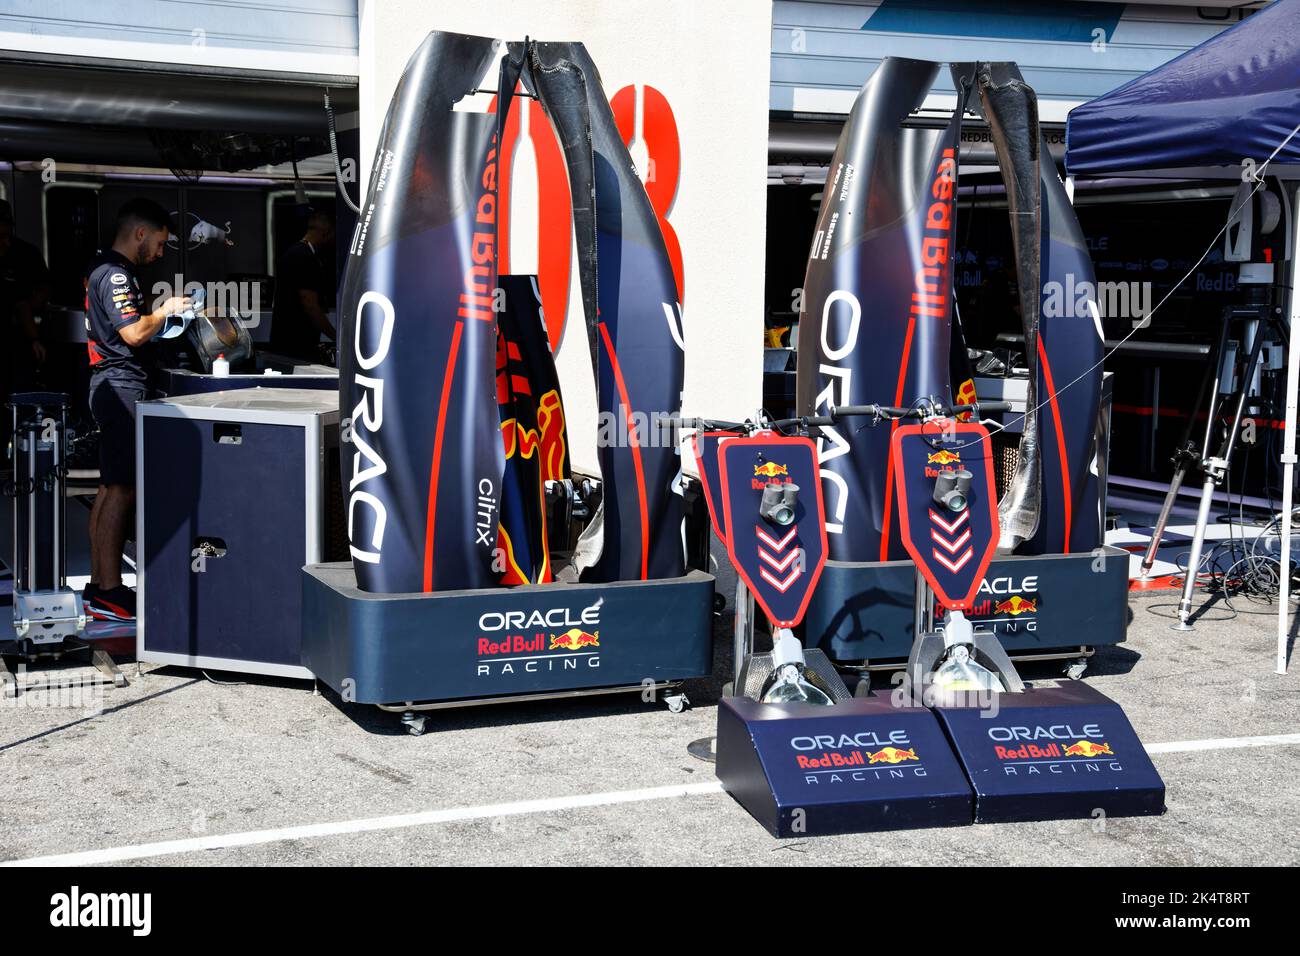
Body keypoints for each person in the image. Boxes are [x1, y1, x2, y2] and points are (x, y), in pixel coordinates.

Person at [82, 199, 190, 623]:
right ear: (140, 233)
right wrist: (164, 312)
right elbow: (133, 333)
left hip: (109, 385)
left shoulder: (102, 268)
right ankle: (109, 592)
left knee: (111, 488)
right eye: (160, 244)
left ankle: (99, 586)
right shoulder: (116, 275)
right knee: (121, 489)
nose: (161, 253)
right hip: (121, 386)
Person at [0, 198, 52, 414]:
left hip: (19, 338)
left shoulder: (25, 253)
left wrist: (29, 311)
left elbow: (45, 287)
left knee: (20, 397)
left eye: (5, 227)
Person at [270, 207, 336, 361]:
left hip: (283, 340)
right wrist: (335, 336)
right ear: (326, 232)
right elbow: (310, 305)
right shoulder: (305, 258)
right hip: (297, 345)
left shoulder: (292, 253)